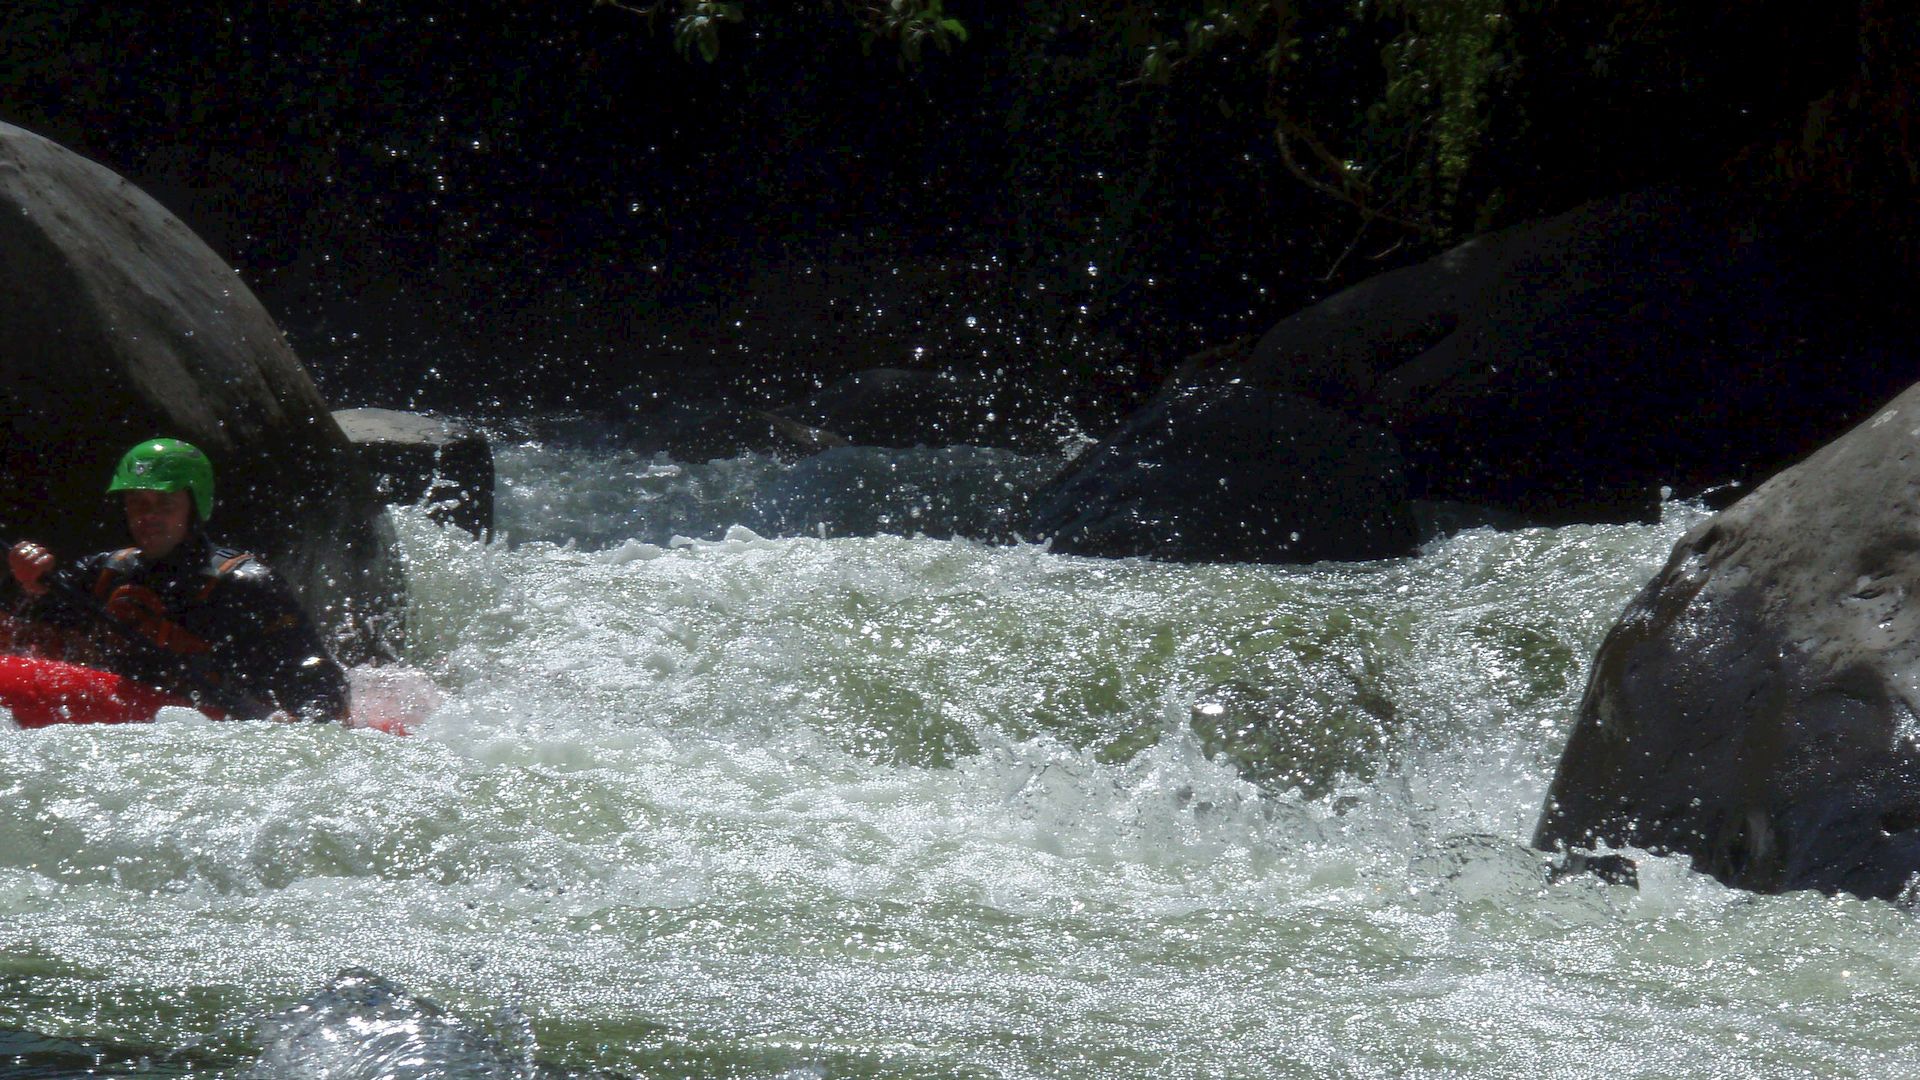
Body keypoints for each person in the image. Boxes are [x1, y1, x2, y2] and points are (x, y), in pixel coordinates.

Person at [5, 438, 349, 723]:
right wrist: (31, 579)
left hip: (220, 723)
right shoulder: (106, 571)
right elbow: (36, 626)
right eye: (137, 503)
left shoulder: (245, 584)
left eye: (164, 504)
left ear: (193, 506)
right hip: (130, 720)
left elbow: (312, 669)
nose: (148, 516)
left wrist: (309, 720)